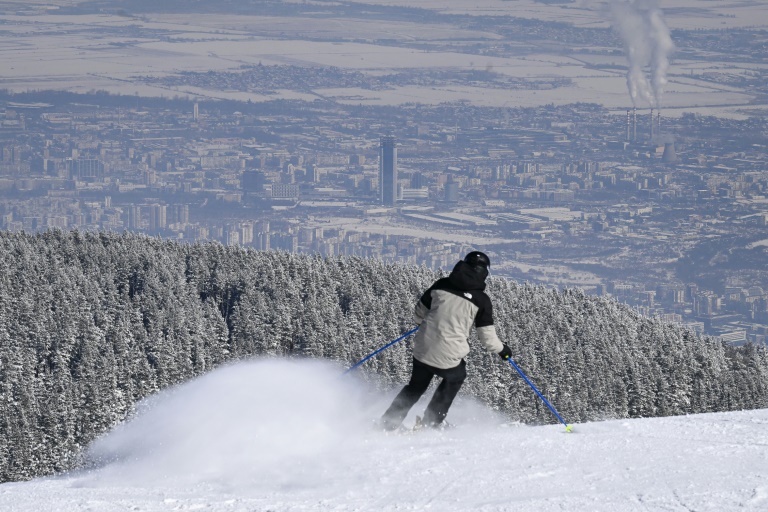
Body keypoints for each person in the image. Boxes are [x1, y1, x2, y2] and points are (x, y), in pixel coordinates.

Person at [380, 251, 512, 431]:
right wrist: (503, 350)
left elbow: (419, 314)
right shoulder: (482, 300)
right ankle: (430, 424)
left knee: (415, 387)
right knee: (455, 378)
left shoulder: (441, 284)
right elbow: (487, 339)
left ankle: (388, 423)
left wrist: (426, 323)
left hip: (423, 349)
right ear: (484, 273)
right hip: (449, 355)